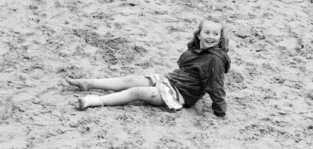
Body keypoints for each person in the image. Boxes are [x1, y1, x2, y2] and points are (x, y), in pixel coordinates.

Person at [65, 17, 231, 117]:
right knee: (131, 79)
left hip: (181, 94)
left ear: (220, 38)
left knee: (136, 92)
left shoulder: (214, 60)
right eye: (207, 32)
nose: (210, 37)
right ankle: (88, 83)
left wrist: (219, 109)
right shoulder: (196, 48)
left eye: (215, 34)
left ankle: (93, 101)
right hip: (172, 80)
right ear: (199, 34)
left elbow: (215, 86)